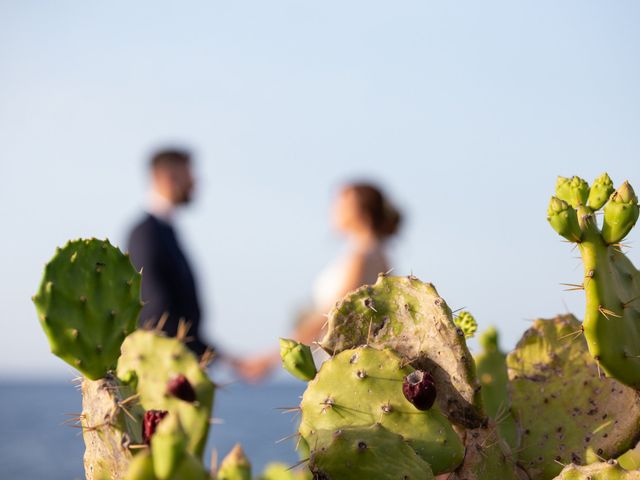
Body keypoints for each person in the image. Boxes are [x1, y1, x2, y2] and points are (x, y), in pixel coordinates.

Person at [236, 182, 402, 381]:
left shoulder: (362, 257)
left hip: (351, 370)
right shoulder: (374, 252)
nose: (334, 210)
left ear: (360, 210)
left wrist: (275, 357)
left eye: (341, 204)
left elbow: (331, 315)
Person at [127, 148, 214, 358]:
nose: (194, 182)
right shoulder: (146, 234)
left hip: (174, 366)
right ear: (167, 177)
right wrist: (214, 355)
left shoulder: (163, 231)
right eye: (188, 174)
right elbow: (155, 313)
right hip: (165, 370)